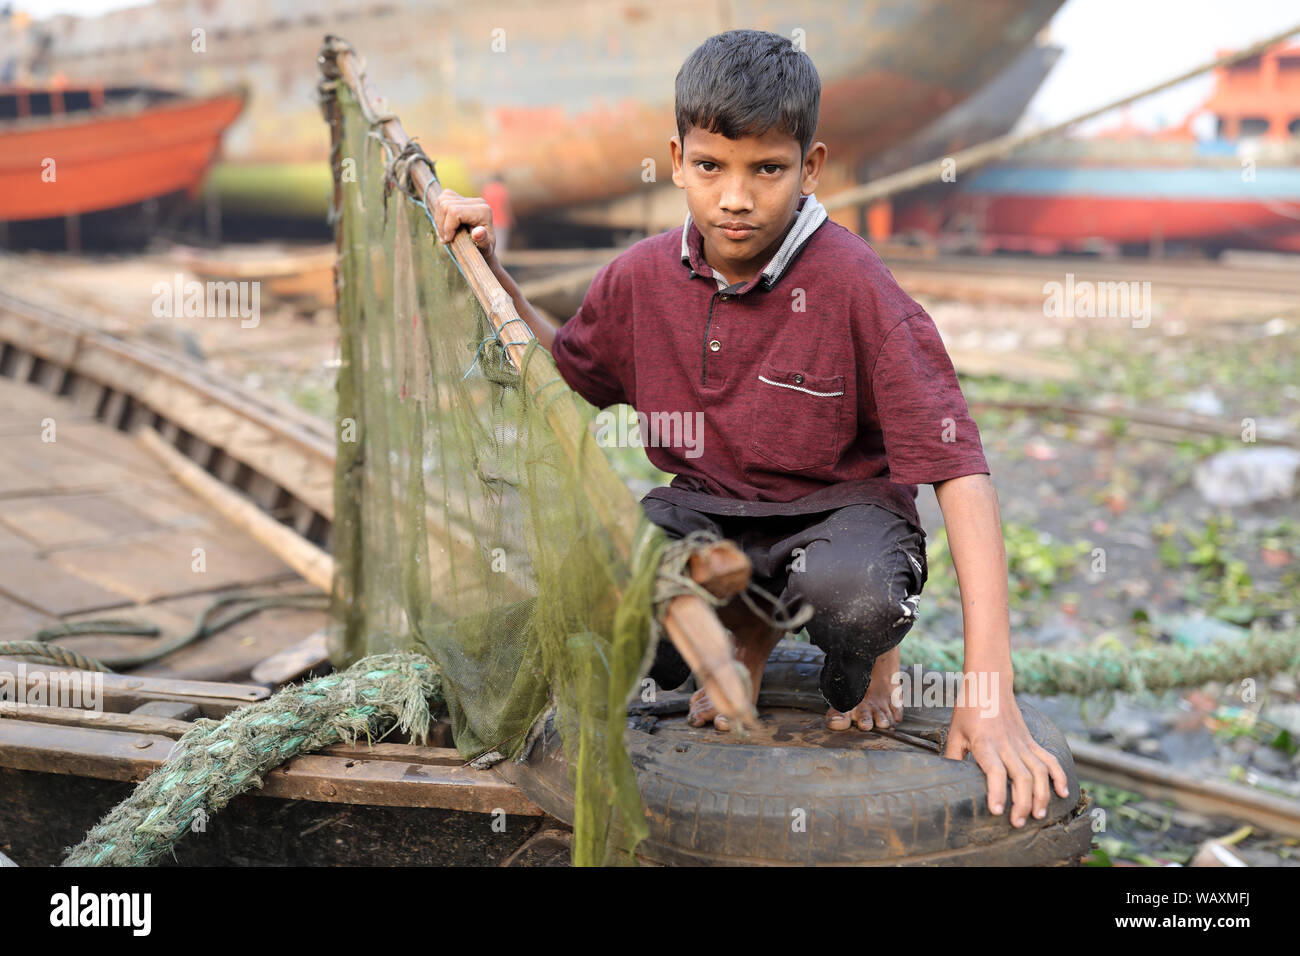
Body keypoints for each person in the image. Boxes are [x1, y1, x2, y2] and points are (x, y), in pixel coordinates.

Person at [433, 29, 1069, 831]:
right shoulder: (640, 277)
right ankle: (748, 623)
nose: (736, 197)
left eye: (767, 169)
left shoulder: (855, 283)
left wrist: (988, 693)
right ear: (676, 160)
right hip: (712, 515)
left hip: (840, 517)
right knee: (616, 596)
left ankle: (868, 654)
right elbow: (563, 373)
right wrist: (489, 269)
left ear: (809, 168)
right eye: (711, 167)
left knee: (855, 602)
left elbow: (960, 471)